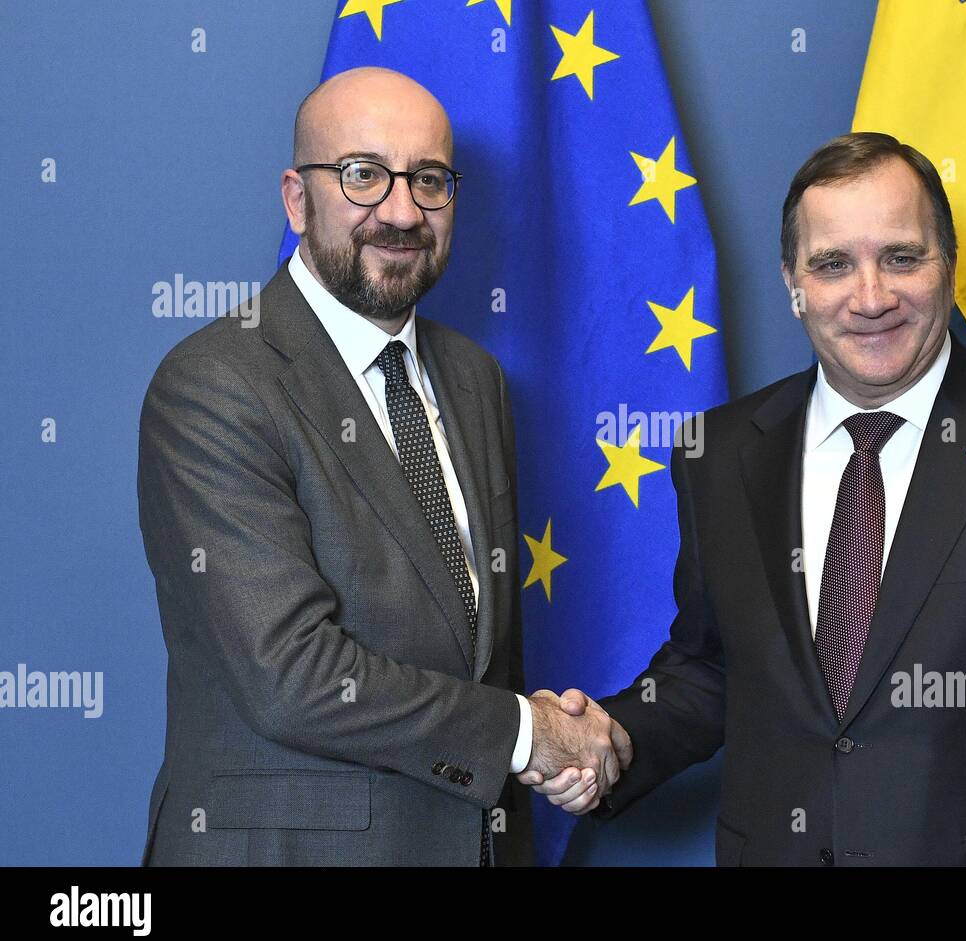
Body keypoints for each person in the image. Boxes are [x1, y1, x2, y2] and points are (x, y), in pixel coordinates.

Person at [523, 132, 966, 866]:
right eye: (833, 264)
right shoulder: (717, 453)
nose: (871, 297)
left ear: (949, 265)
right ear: (793, 282)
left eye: (901, 257)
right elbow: (714, 666)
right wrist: (615, 738)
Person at [137, 66, 628, 866]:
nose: (402, 212)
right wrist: (524, 734)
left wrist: (539, 735)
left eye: (429, 180)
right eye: (363, 175)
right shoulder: (213, 384)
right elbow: (291, 675)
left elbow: (470, 649)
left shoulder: (473, 379)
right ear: (298, 199)